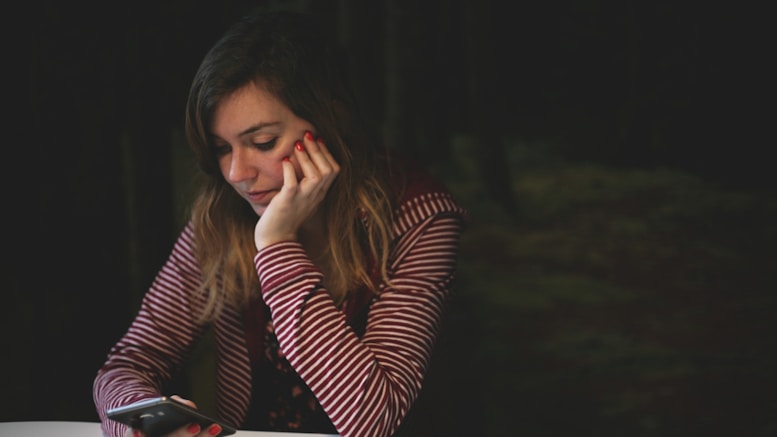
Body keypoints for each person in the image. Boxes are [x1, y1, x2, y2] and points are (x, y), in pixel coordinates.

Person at [93, 9, 468, 437]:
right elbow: (129, 362)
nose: (236, 173)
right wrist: (141, 424)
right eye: (220, 148)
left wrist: (276, 244)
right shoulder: (221, 215)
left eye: (262, 142)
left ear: (332, 118)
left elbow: (372, 420)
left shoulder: (420, 218)